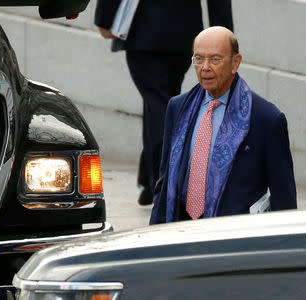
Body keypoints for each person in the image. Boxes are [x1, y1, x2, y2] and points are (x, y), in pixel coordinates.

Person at [150, 27, 297, 224]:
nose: (205, 67)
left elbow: (284, 199)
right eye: (199, 59)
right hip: (179, 228)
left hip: (233, 239)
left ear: (235, 62)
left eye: (215, 59)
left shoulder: (266, 119)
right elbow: (165, 182)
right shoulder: (178, 108)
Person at [95, 0, 234, 205]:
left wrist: (104, 19)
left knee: (158, 104)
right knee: (160, 101)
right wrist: (223, 36)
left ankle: (167, 183)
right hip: (184, 31)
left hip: (144, 29)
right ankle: (149, 181)